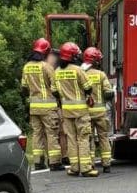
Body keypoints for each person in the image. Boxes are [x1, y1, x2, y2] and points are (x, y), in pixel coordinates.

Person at [52, 42, 97, 177]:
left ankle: (74, 168)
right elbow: (88, 87)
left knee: (71, 139)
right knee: (83, 138)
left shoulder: (57, 71)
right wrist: (87, 95)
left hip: (66, 110)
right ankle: (86, 168)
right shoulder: (78, 70)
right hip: (81, 111)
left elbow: (54, 91)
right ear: (72, 56)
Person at [21, 38, 62, 171]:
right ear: (45, 52)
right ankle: (54, 162)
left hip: (34, 108)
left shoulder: (26, 67)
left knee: (37, 134)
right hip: (48, 107)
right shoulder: (47, 67)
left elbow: (24, 87)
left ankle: (38, 161)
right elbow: (55, 88)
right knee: (51, 134)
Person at [82, 47, 114, 173]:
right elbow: (108, 93)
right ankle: (106, 164)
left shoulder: (81, 73)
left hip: (86, 113)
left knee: (88, 138)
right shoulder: (101, 75)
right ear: (95, 61)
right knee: (103, 138)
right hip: (100, 112)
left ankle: (90, 164)